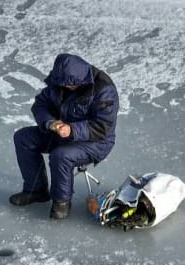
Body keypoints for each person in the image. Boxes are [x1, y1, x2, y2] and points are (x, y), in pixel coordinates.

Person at [9, 53, 119, 219]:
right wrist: (50, 123)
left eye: (70, 85)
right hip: (60, 132)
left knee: (61, 155)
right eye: (64, 84)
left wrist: (72, 130)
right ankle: (36, 190)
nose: (66, 87)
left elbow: (102, 127)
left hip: (95, 141)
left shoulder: (104, 90)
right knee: (23, 138)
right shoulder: (59, 81)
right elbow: (40, 104)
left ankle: (61, 202)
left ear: (80, 79)